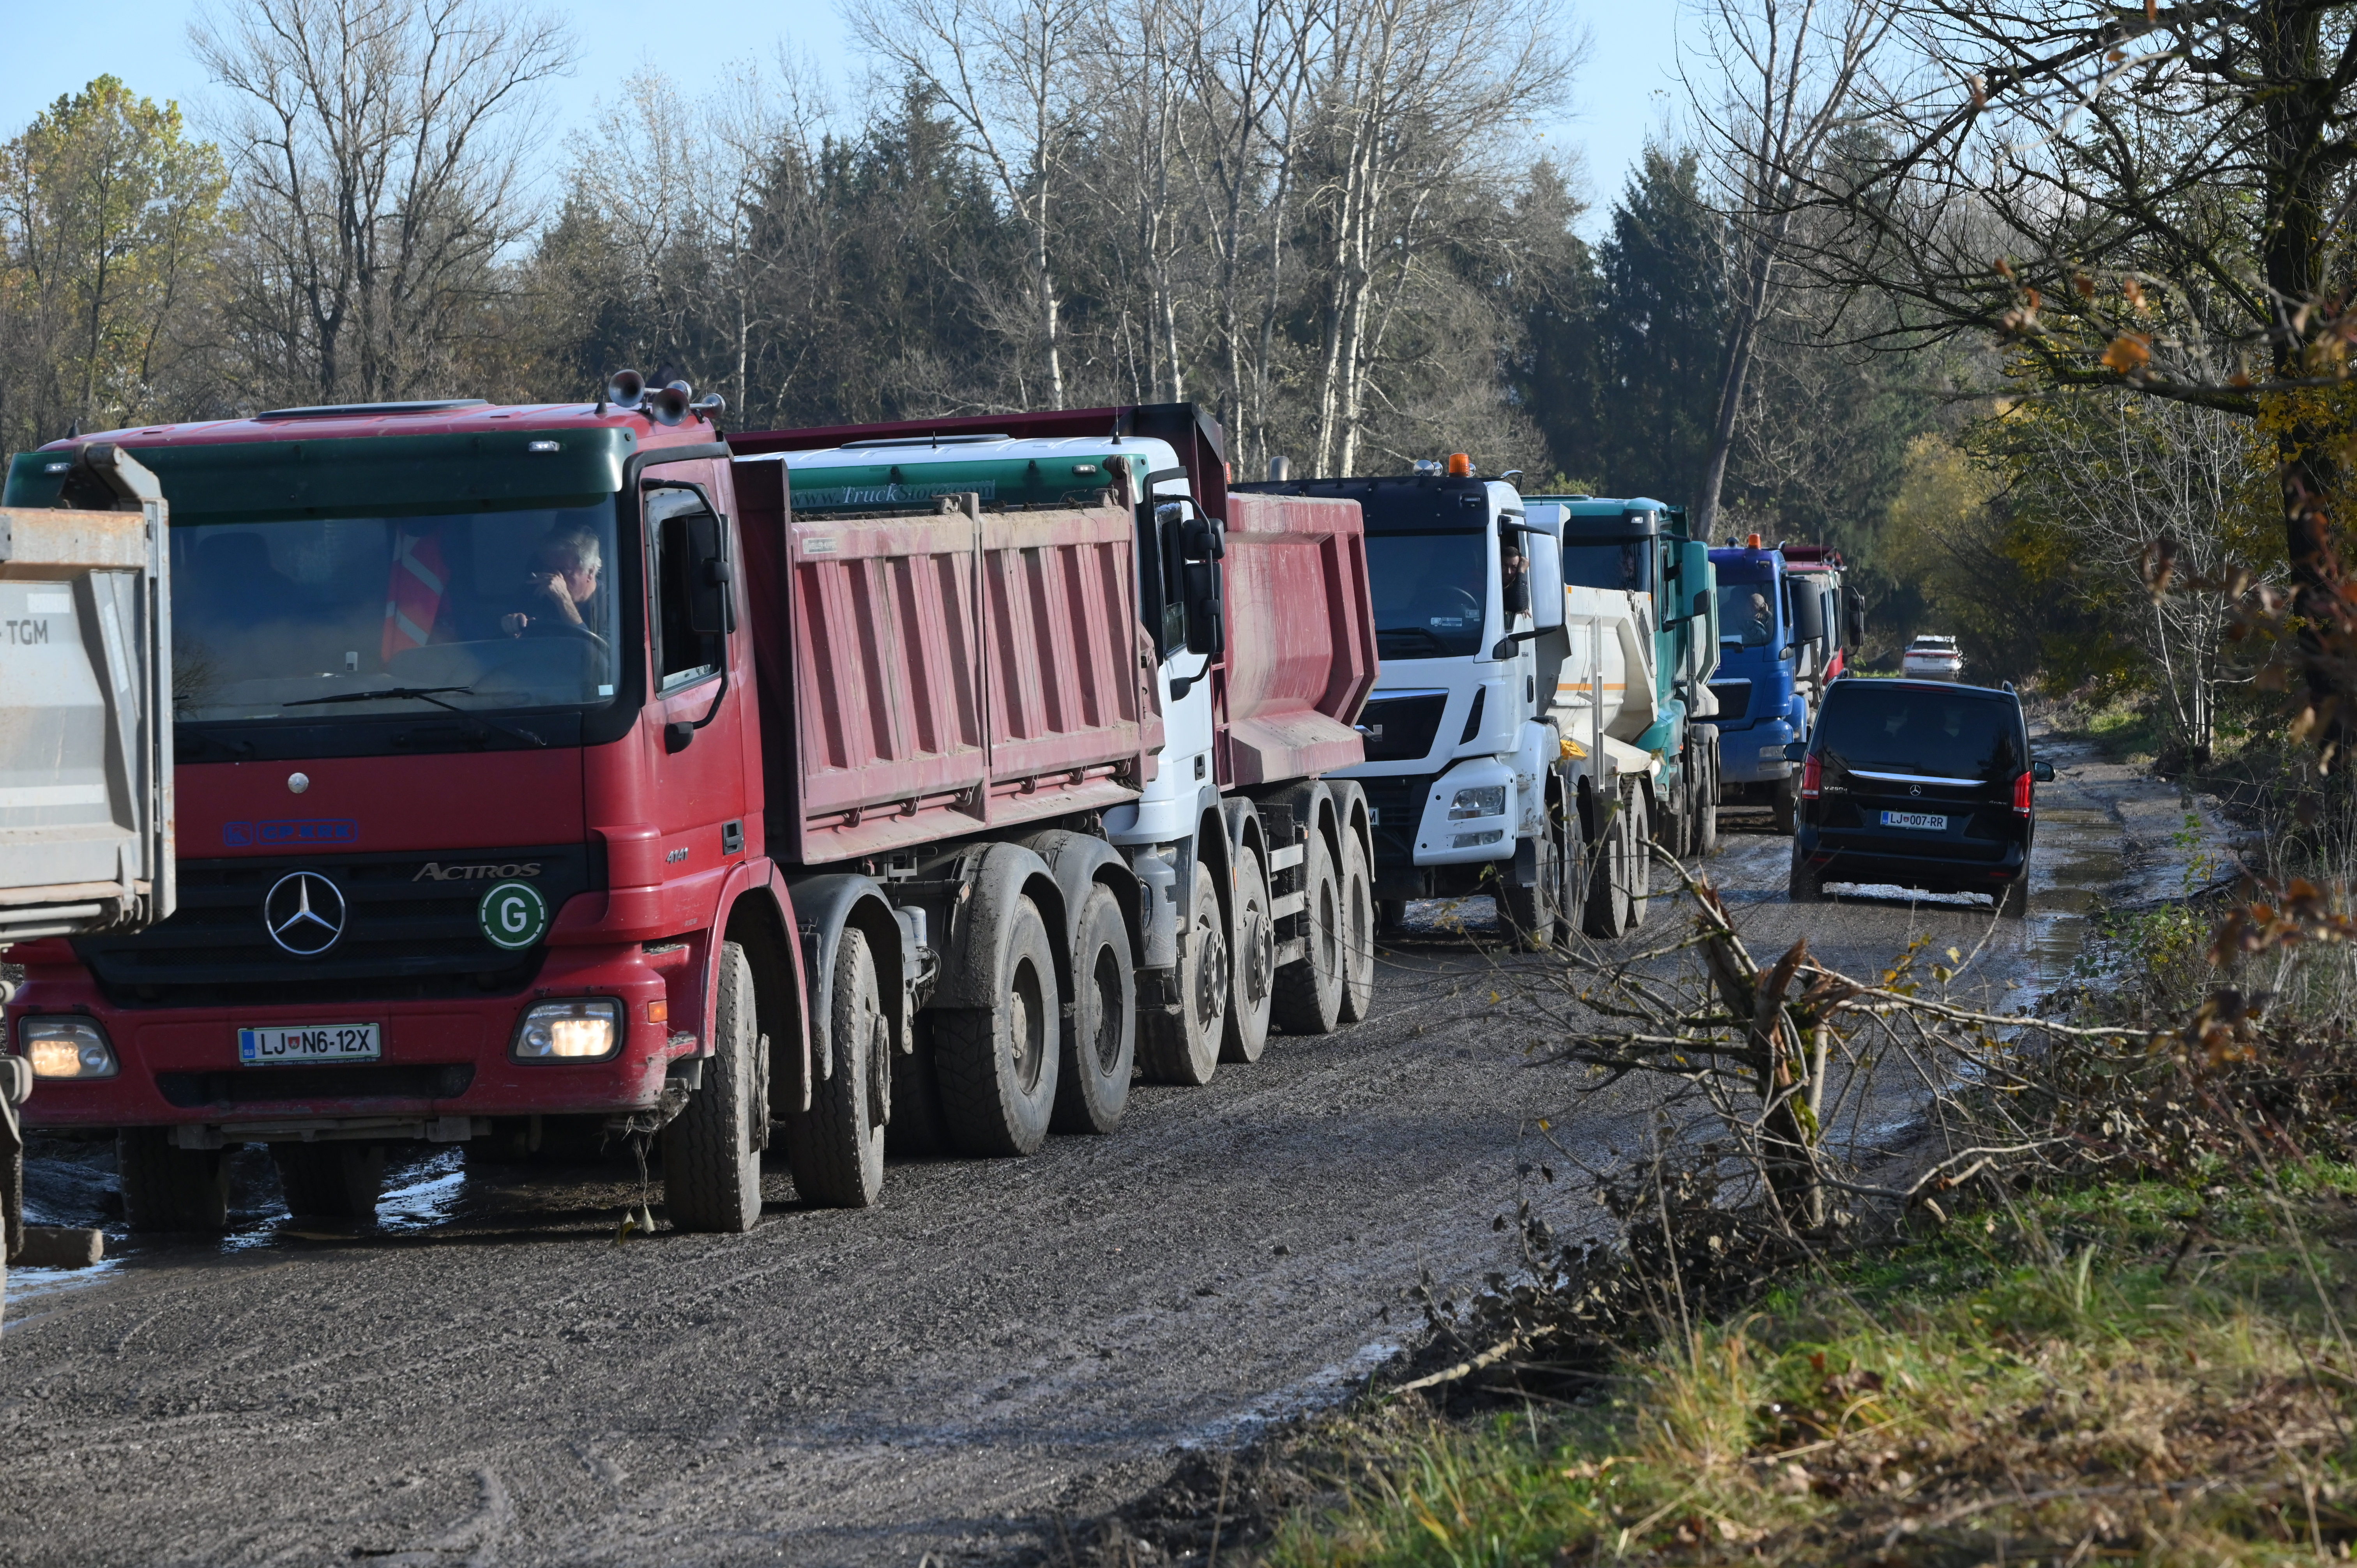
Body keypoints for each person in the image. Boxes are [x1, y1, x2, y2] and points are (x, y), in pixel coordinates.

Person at [502, 526, 604, 641]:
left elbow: (598, 653)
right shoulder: (533, 593)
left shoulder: (615, 604)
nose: (554, 578)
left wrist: (564, 601)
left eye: (564, 570)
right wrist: (513, 626)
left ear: (590, 571)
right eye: (549, 569)